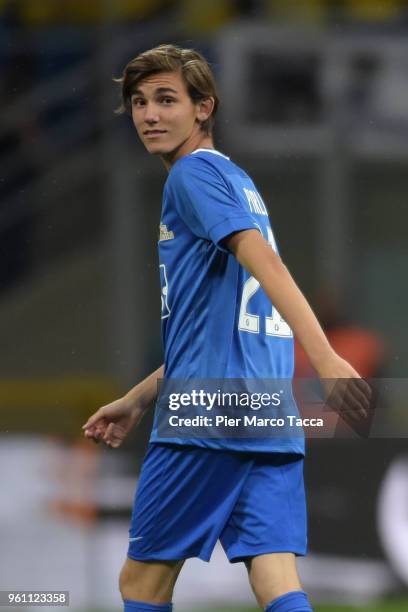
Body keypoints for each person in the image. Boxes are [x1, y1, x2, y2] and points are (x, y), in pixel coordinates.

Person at [82, 44, 371, 612]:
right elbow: (213, 327)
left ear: (204, 108)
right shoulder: (237, 183)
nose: (150, 115)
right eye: (138, 102)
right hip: (266, 411)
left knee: (142, 583)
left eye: (167, 100)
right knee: (275, 579)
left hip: (206, 416)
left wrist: (329, 357)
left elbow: (267, 265)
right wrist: (139, 398)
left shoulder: (192, 175)